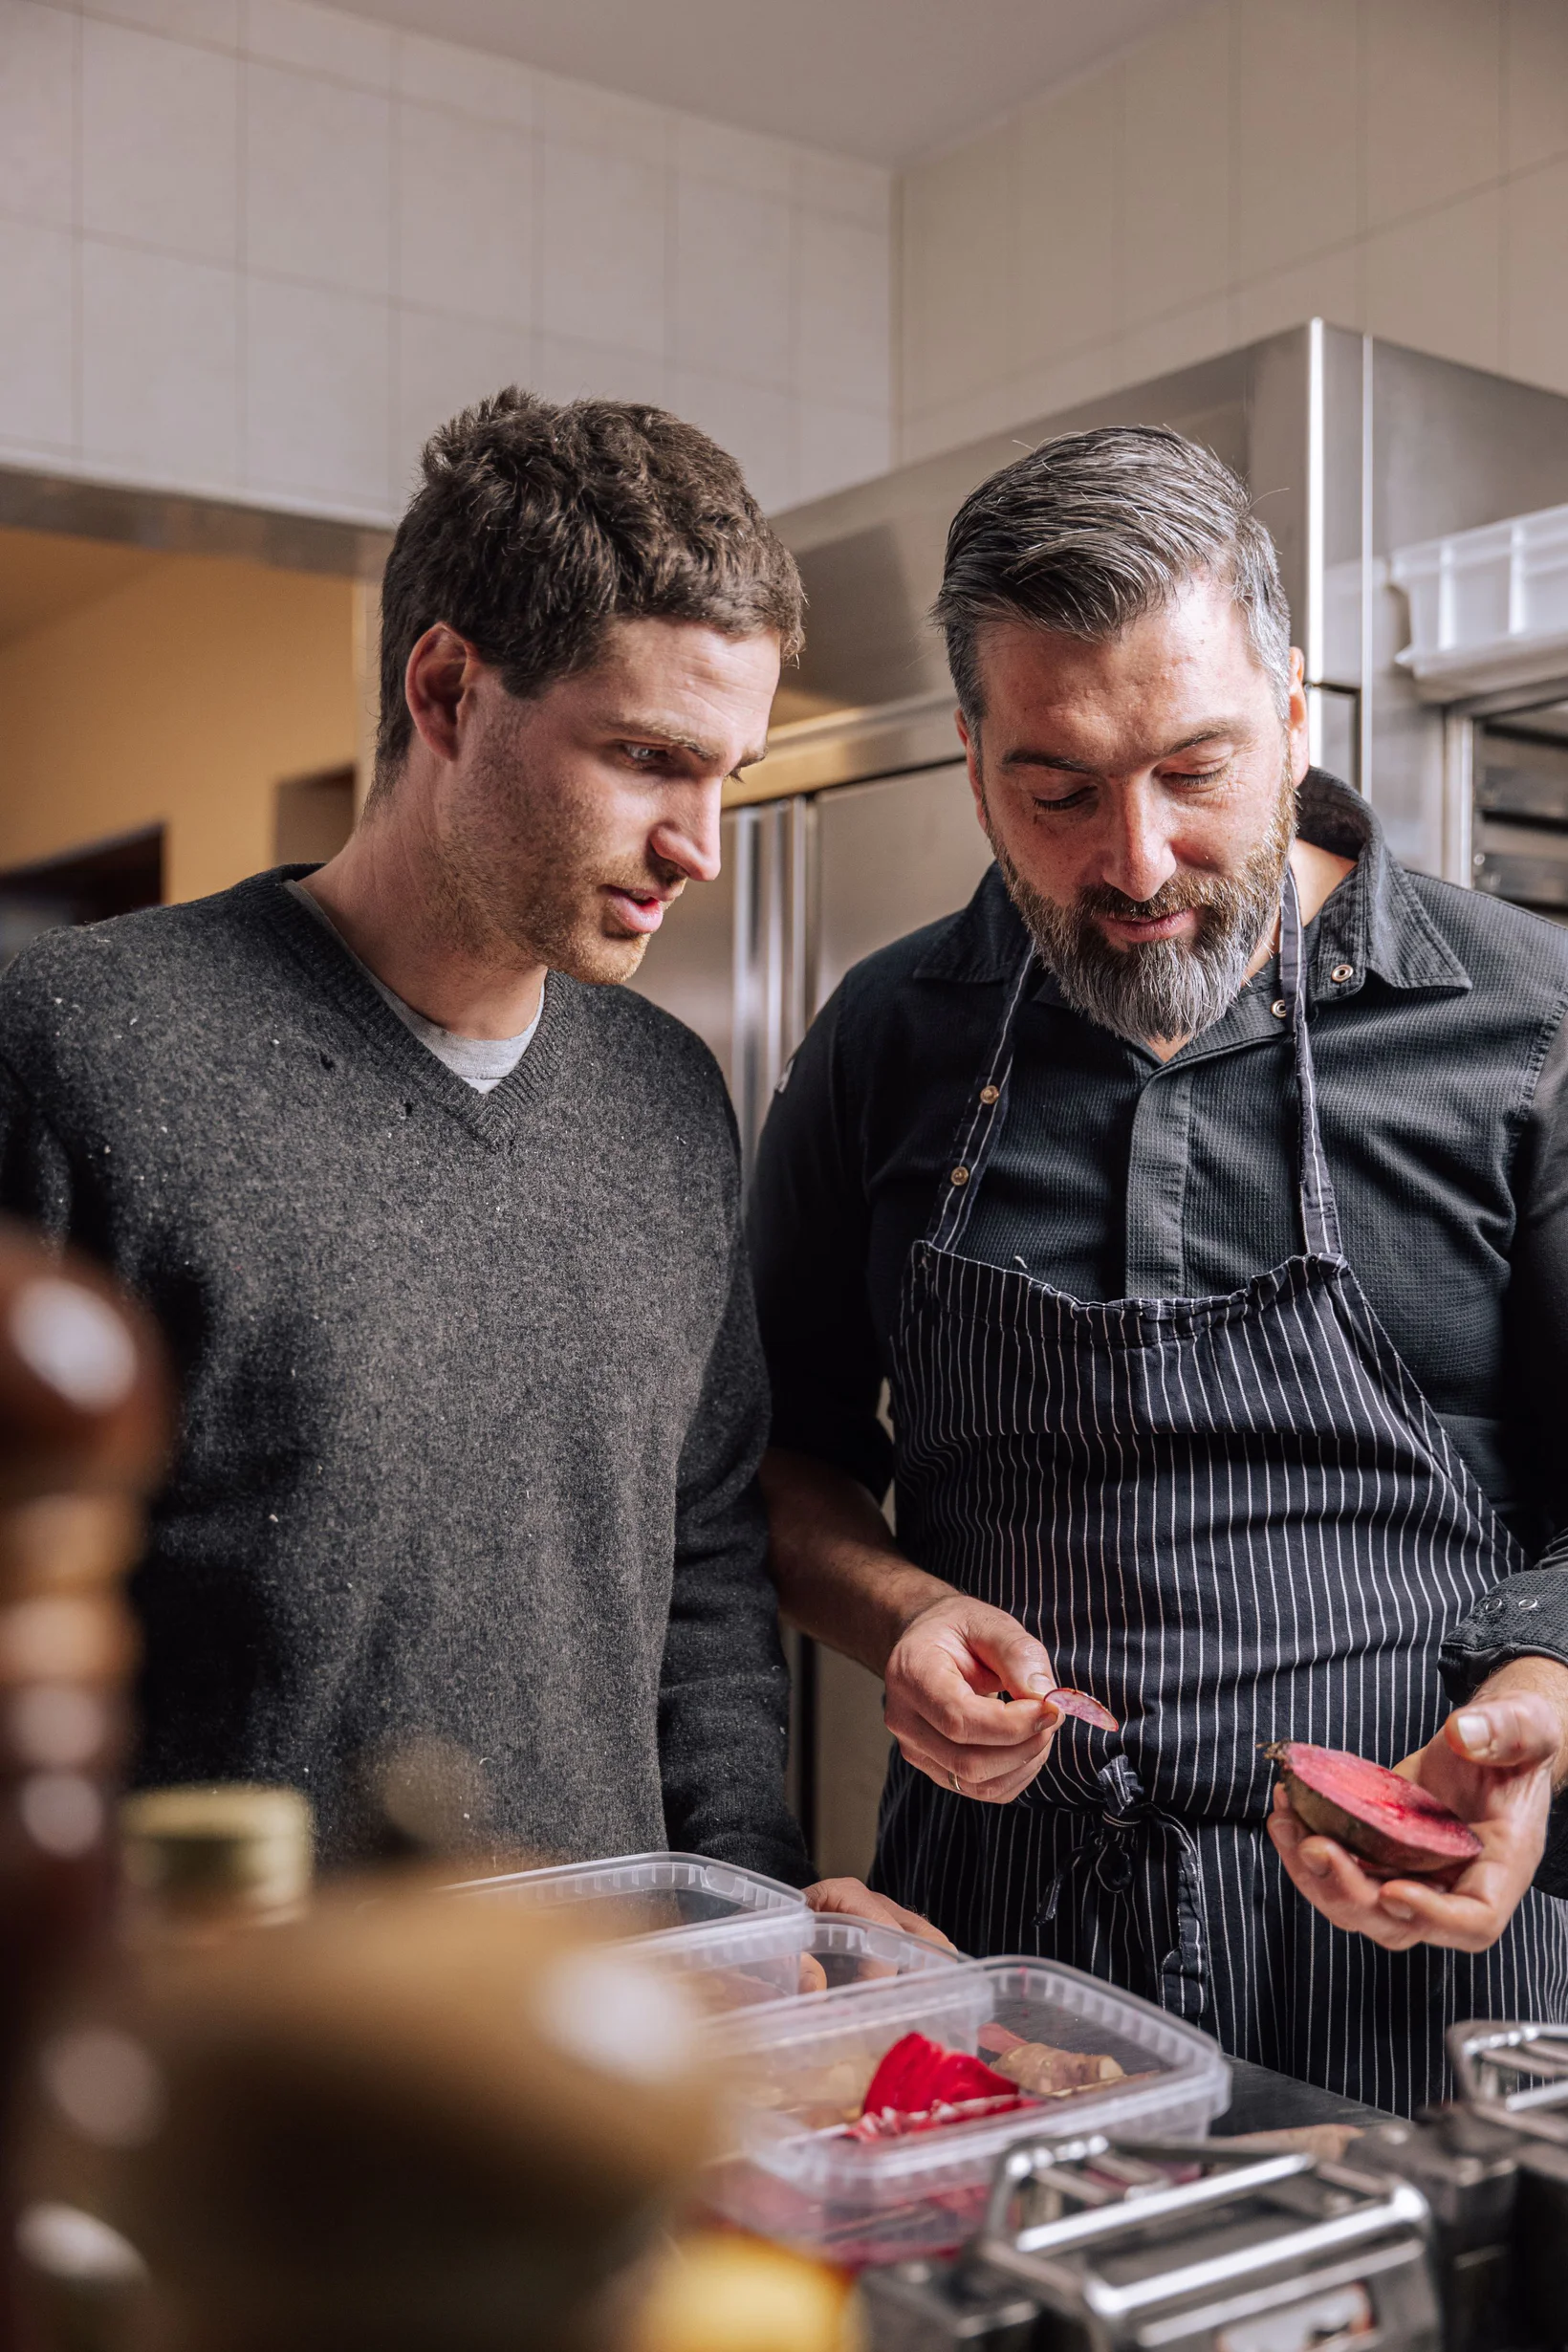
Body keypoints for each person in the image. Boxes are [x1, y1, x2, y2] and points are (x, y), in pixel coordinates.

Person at [0, 387, 920, 1933]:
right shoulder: (77, 1047)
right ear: (445, 691)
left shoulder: (664, 1095)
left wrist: (752, 1922)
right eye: (647, 757)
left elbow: (699, 1559)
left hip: (597, 2045)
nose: (702, 841)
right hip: (223, 2071)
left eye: (729, 777)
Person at [751, 425, 1568, 2111]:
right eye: (1058, 791)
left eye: (1195, 772)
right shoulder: (886, 1042)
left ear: (1290, 712)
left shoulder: (1527, 1026)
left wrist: (1541, 1703)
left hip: (1426, 1951)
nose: (1135, 864)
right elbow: (777, 1463)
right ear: (972, 762)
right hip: (993, 1961)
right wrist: (898, 1612)